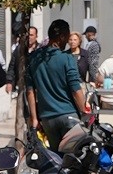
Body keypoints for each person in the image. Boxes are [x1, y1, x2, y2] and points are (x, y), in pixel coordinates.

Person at [28, 18, 90, 147]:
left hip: (47, 118)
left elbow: (30, 91)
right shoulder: (67, 58)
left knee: (56, 159)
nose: (68, 41)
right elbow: (75, 89)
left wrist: (34, 118)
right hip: (69, 115)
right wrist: (85, 113)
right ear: (61, 37)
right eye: (67, 37)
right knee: (75, 159)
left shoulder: (33, 58)